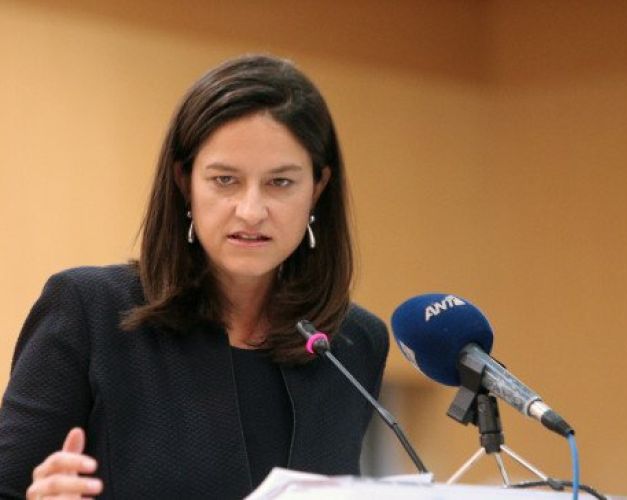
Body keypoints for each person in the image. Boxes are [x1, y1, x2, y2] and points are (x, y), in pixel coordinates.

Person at [0, 55, 389, 499]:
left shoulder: (353, 344)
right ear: (185, 181)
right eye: (225, 180)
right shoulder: (89, 311)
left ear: (318, 188)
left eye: (280, 183)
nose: (251, 211)